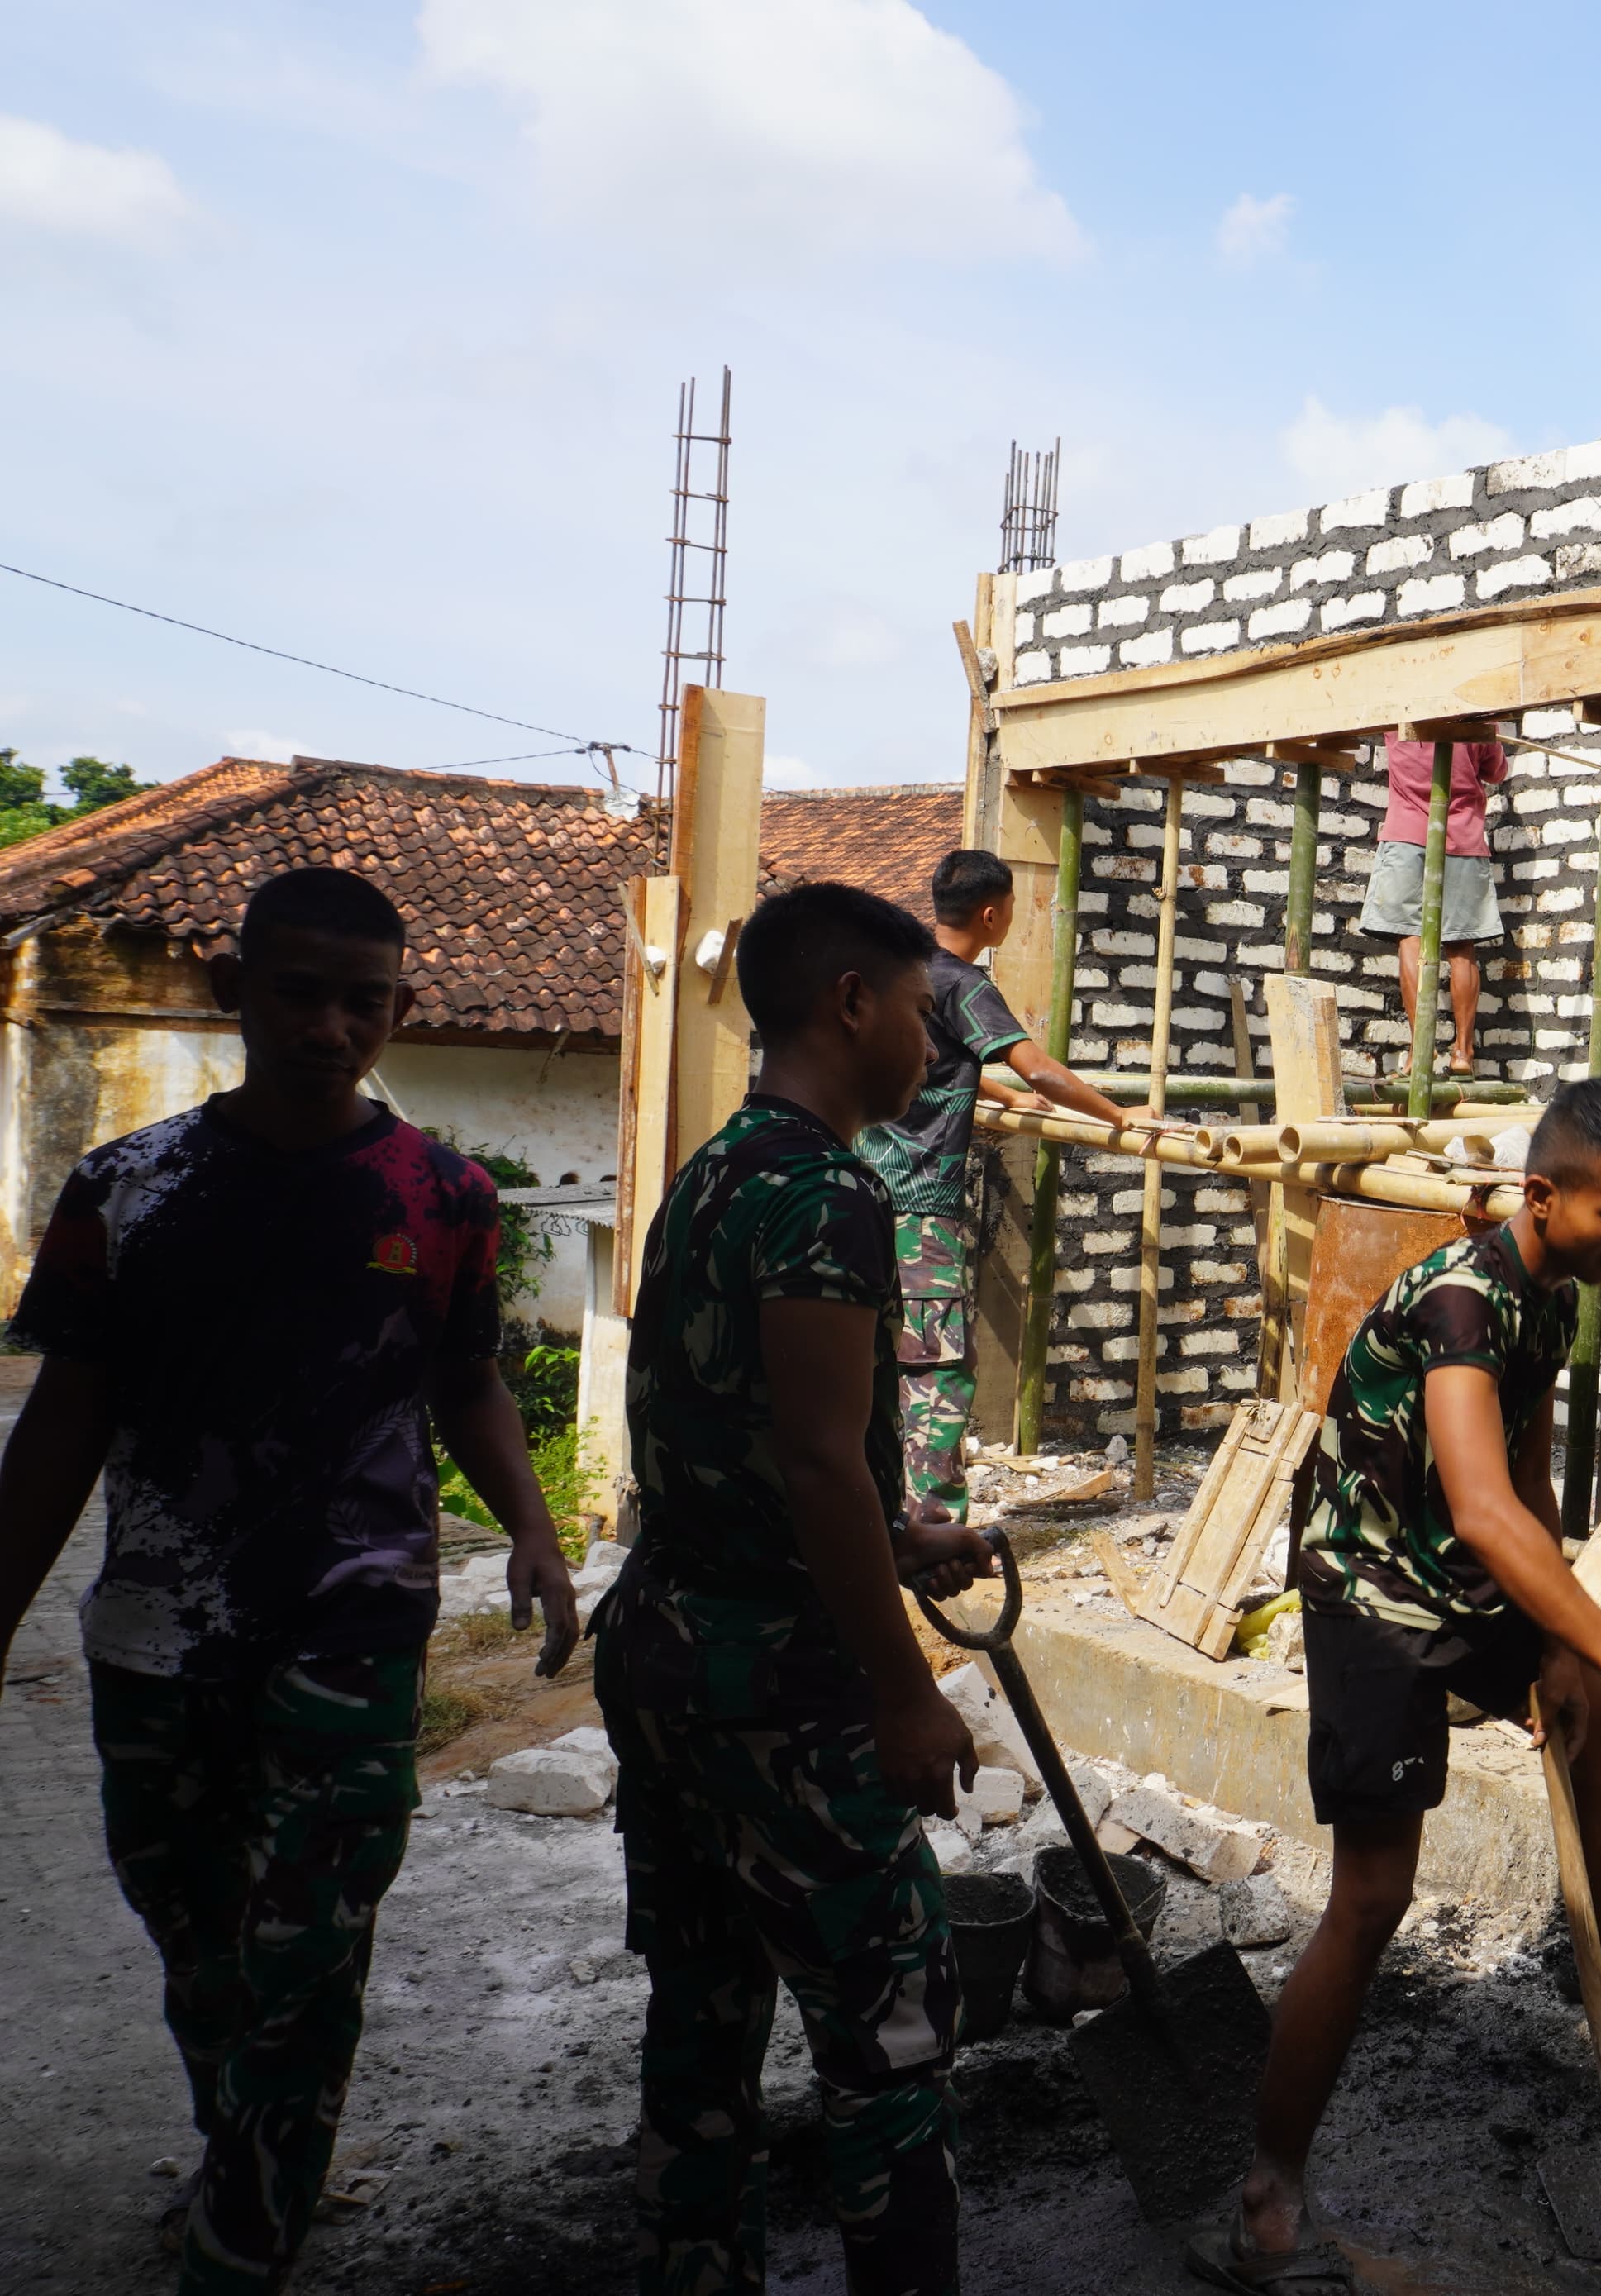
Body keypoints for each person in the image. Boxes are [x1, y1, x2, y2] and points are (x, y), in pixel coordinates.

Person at [0, 865, 579, 2293]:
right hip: (158, 1630)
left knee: (311, 1946)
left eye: (365, 1002)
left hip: (355, 1629)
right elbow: (64, 1414)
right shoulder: (129, 1188)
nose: (333, 1026)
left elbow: (468, 1378)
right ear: (233, 990)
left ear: (398, 1009)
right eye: (302, 992)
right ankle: (246, 2154)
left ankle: (244, 2239)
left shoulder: (440, 1192)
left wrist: (535, 1527)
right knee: (194, 1931)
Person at [1189, 1077, 1601, 2295]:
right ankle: (1265, 2199)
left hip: (1459, 1573)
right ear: (1543, 1195)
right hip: (1373, 1585)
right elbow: (1478, 1507)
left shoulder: (1551, 1304)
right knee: (1374, 1896)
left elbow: (1524, 1486)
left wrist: (1565, 1648)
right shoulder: (1465, 1300)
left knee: (1593, 1733)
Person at [596, 880, 996, 2295]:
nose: (932, 1046)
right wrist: (904, 1691)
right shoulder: (830, 1192)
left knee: (702, 2012)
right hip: (784, 1683)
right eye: (920, 1012)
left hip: (667, 1647)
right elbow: (821, 1460)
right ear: (851, 1003)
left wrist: (899, 1532)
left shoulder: (714, 1171)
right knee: (887, 2043)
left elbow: (741, 1432)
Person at [856, 849, 1124, 1527]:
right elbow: (1041, 1071)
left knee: (873, 1367)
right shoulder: (965, 983)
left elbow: (944, 1065)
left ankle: (870, 1515)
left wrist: (996, 1094)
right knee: (937, 1371)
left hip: (860, 1197)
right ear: (991, 913)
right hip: (919, 1211)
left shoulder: (901, 973)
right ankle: (934, 1529)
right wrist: (1123, 1116)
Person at [1358, 733, 1509, 1078]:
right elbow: (1496, 771)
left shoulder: (1401, 715)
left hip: (1406, 836)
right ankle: (1462, 1052)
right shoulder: (1477, 717)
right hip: (1463, 838)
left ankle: (1418, 1052)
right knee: (1461, 946)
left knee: (1411, 940)